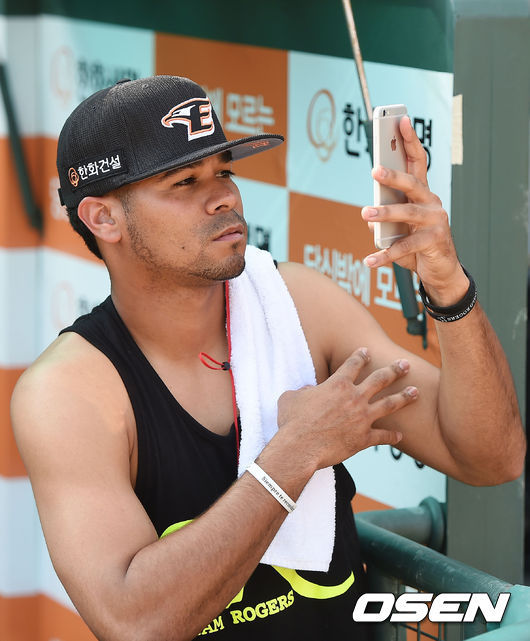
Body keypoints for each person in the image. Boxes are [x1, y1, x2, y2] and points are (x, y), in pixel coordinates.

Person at [11, 75, 525, 641]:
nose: (224, 197)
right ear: (103, 219)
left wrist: (448, 285)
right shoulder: (69, 392)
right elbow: (136, 623)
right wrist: (294, 454)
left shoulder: (297, 306)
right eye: (185, 181)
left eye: (225, 171)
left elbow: (491, 459)